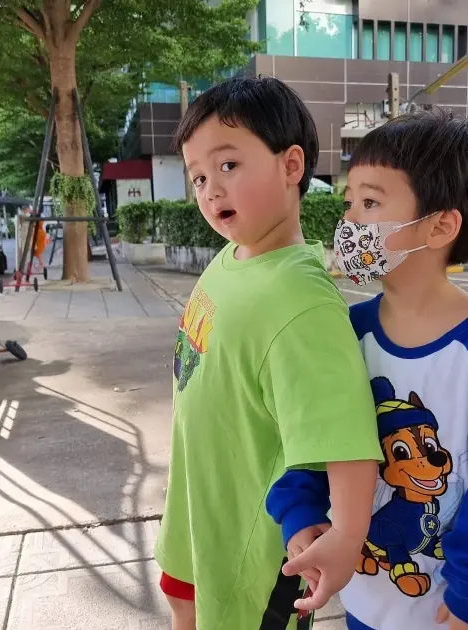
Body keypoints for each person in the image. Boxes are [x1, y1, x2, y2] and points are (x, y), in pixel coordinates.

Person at [154, 75, 382, 630]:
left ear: (291, 165)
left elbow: (343, 433)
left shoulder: (302, 300)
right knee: (185, 608)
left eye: (228, 165)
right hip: (197, 513)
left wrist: (347, 536)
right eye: (199, 176)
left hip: (251, 554)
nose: (211, 190)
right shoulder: (231, 258)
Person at [267, 109, 468, 630]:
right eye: (349, 202)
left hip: (446, 612)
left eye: (371, 202)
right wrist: (299, 515)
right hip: (362, 601)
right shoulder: (343, 333)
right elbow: (309, 440)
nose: (351, 223)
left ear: (441, 225)